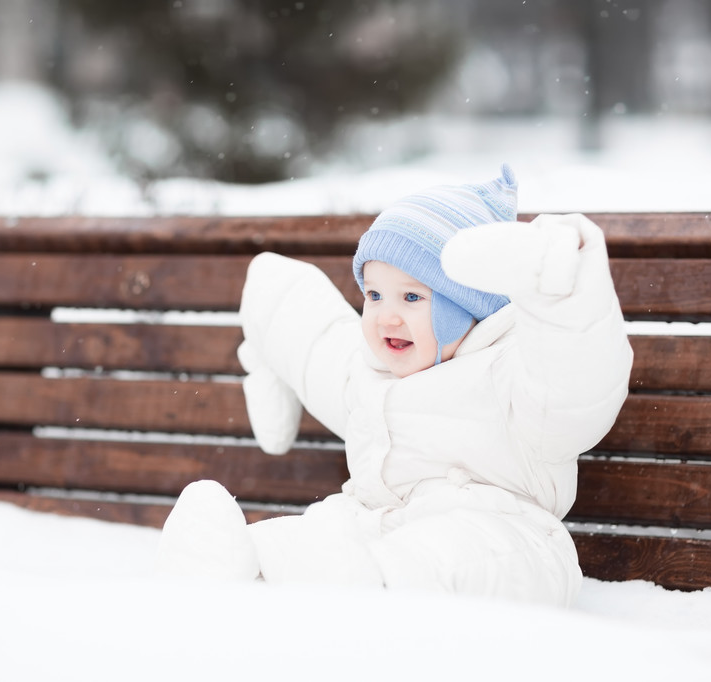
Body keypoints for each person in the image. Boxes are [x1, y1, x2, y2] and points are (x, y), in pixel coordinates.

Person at [155, 165, 633, 606]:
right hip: (374, 526)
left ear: (468, 307)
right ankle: (223, 564)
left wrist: (561, 294)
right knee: (304, 535)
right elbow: (306, 336)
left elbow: (574, 388)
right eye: (374, 294)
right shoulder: (368, 370)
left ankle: (362, 590)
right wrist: (264, 310)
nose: (387, 314)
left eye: (411, 297)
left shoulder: (511, 371)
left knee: (447, 555)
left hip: (506, 535)